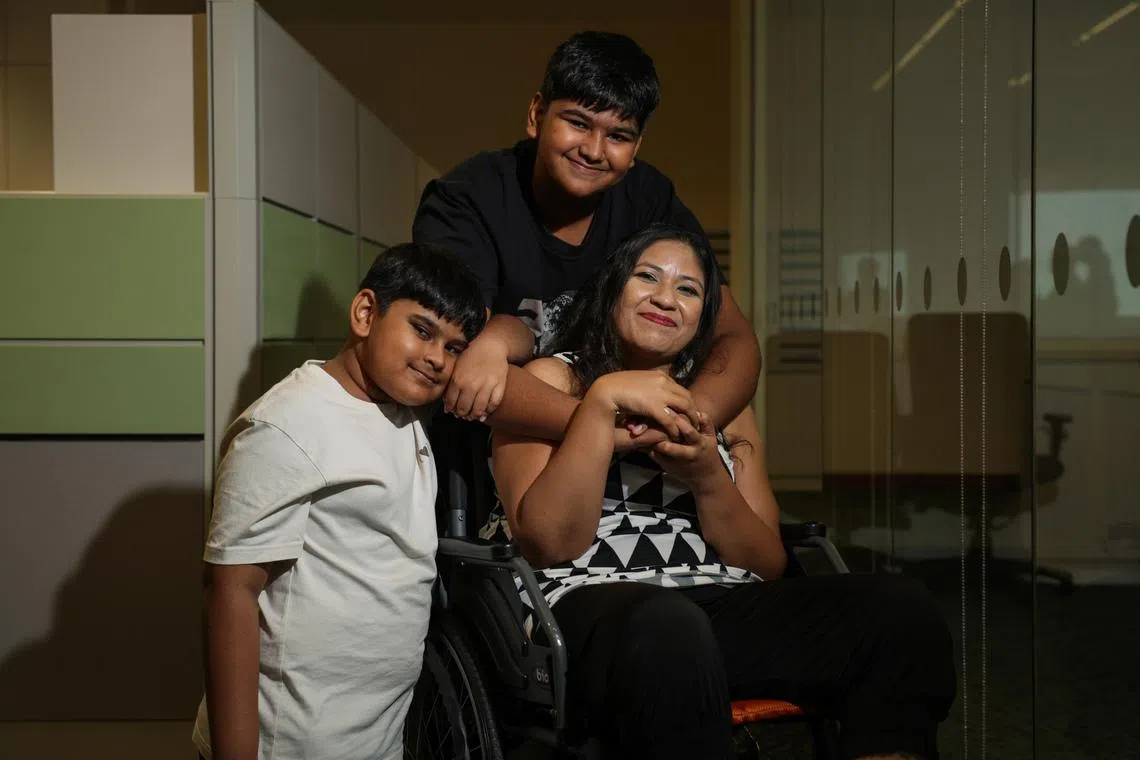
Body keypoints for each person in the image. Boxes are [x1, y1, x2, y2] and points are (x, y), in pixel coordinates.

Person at [483, 224, 957, 760]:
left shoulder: (720, 406)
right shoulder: (550, 382)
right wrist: (601, 403)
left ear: (703, 318)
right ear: (612, 288)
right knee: (668, 625)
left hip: (718, 604)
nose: (666, 297)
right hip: (591, 607)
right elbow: (550, 542)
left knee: (901, 613)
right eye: (648, 278)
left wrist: (709, 475)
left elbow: (767, 562)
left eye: (688, 289)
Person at [190, 244, 487, 760]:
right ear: (366, 314)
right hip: (289, 745)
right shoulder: (287, 425)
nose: (438, 358)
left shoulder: (403, 407)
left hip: (371, 739)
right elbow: (230, 594)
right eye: (422, 330)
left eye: (456, 347)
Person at [412, 30, 760, 447]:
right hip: (489, 448)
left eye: (618, 136)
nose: (594, 150)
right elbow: (460, 363)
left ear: (636, 148)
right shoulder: (466, 200)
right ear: (536, 115)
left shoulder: (650, 200)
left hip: (620, 448)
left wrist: (687, 422)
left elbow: (735, 339)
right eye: (578, 123)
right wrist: (609, 429)